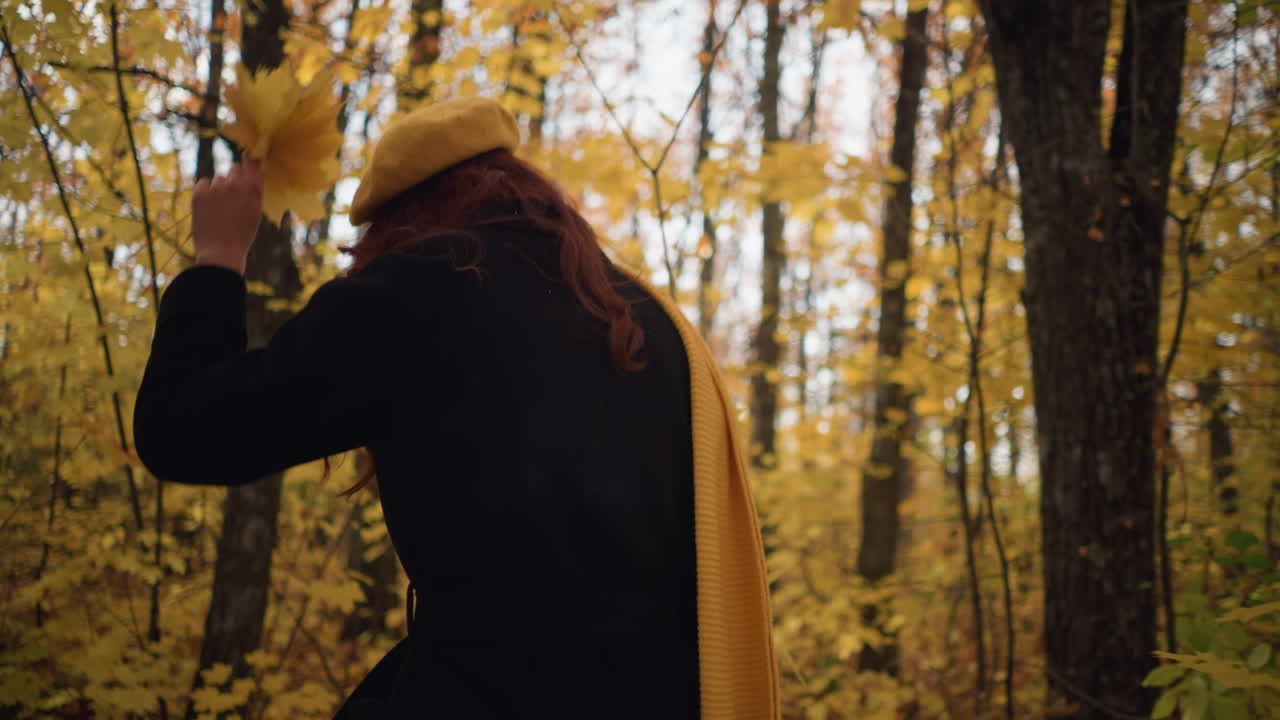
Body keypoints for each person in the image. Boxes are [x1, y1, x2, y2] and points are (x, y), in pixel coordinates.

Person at [134, 97, 777, 719]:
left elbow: (184, 431)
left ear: (402, 218)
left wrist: (217, 261)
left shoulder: (416, 291)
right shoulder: (648, 322)